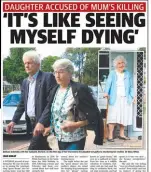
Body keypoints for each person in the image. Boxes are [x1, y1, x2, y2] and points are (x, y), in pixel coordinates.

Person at [33, 59, 104, 150]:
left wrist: (76, 125)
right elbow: (51, 110)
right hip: (60, 138)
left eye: (61, 72)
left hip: (76, 139)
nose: (57, 75)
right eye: (55, 72)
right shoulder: (54, 90)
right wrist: (43, 124)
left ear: (70, 73)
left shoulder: (80, 89)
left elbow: (95, 115)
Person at [6, 50, 56, 150]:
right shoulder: (25, 82)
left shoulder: (48, 77)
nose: (26, 65)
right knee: (43, 148)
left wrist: (41, 122)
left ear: (37, 64)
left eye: (29, 63)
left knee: (32, 149)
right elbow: (22, 103)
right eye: (25, 63)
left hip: (42, 123)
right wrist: (13, 121)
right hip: (31, 123)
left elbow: (51, 103)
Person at [104, 55, 136, 142]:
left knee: (124, 116)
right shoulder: (112, 73)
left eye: (122, 63)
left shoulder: (128, 73)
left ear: (125, 64)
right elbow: (108, 84)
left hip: (126, 98)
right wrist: (106, 92)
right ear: (116, 65)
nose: (121, 65)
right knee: (112, 116)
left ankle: (121, 134)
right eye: (119, 63)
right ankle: (110, 135)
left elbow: (131, 87)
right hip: (115, 98)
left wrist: (133, 96)